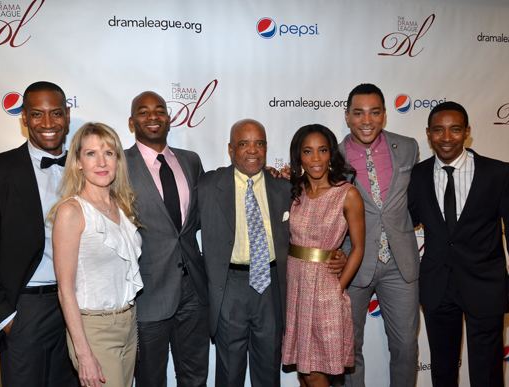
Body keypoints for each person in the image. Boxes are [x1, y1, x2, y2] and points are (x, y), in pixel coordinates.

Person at [0, 81, 78, 386]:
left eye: (56, 113)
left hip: (78, 309)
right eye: (37, 115)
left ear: (67, 114)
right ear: (24, 118)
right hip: (26, 309)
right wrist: (6, 319)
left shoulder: (86, 167)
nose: (48, 123)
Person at [408, 101, 509, 387]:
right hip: (437, 285)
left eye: (455, 130)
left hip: (485, 284)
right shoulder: (417, 176)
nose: (446, 137)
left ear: (467, 132)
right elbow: (403, 221)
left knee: (487, 371)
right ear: (428, 134)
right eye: (438, 130)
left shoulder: (497, 173)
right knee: (442, 369)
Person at [198, 119, 292, 387]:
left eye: (259, 143)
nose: (253, 150)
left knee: (268, 370)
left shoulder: (283, 187)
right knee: (229, 373)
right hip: (230, 287)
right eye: (244, 144)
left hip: (271, 286)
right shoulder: (207, 187)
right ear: (230, 150)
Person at [125, 91, 209, 386]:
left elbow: (204, 216)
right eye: (144, 111)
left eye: (159, 110)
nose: (153, 117)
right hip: (148, 291)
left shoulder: (190, 161)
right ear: (131, 120)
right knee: (150, 377)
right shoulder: (119, 165)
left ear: (169, 118)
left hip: (194, 290)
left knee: (195, 374)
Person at [340, 83, 420, 387]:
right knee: (349, 350)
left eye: (374, 112)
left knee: (406, 347)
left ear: (384, 115)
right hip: (353, 264)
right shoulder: (332, 157)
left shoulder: (408, 147)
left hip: (400, 265)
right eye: (358, 113)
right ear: (347, 116)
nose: (366, 120)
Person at [51, 122, 143, 387]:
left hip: (128, 322)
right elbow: (65, 290)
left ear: (118, 160)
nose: (101, 162)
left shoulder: (121, 206)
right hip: (94, 330)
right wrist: (83, 353)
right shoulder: (72, 212)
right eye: (91, 154)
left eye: (109, 153)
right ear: (78, 162)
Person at [282, 124, 365, 387]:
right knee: (304, 373)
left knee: (316, 372)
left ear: (332, 154)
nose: (316, 159)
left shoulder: (347, 194)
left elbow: (359, 247)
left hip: (325, 289)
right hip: (296, 289)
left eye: (322, 150)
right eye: (308, 151)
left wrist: (338, 288)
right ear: (299, 157)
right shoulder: (294, 191)